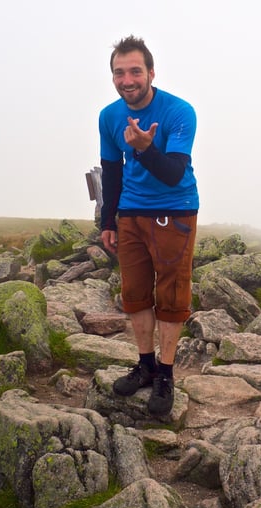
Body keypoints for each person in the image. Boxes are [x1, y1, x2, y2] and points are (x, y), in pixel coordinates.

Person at [98, 35, 200, 416]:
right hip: (130, 215)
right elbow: (111, 171)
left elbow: (173, 173)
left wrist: (143, 147)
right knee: (135, 294)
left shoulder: (178, 112)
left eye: (135, 71)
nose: (127, 80)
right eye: (119, 72)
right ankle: (145, 365)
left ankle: (166, 374)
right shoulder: (109, 116)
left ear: (151, 73)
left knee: (171, 297)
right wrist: (109, 220)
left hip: (175, 211)